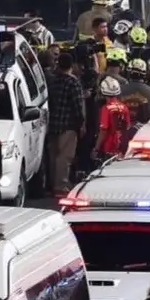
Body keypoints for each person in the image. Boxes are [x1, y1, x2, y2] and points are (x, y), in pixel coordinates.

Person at [47, 52, 86, 195]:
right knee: (65, 157)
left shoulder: (52, 80)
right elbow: (77, 106)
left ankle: (52, 184)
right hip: (68, 125)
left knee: (53, 156)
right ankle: (61, 185)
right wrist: (81, 124)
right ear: (72, 65)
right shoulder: (73, 82)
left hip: (53, 123)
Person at [96, 76, 135, 160]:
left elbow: (103, 131)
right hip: (122, 148)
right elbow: (127, 128)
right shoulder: (124, 107)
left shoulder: (106, 109)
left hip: (109, 148)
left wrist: (96, 148)